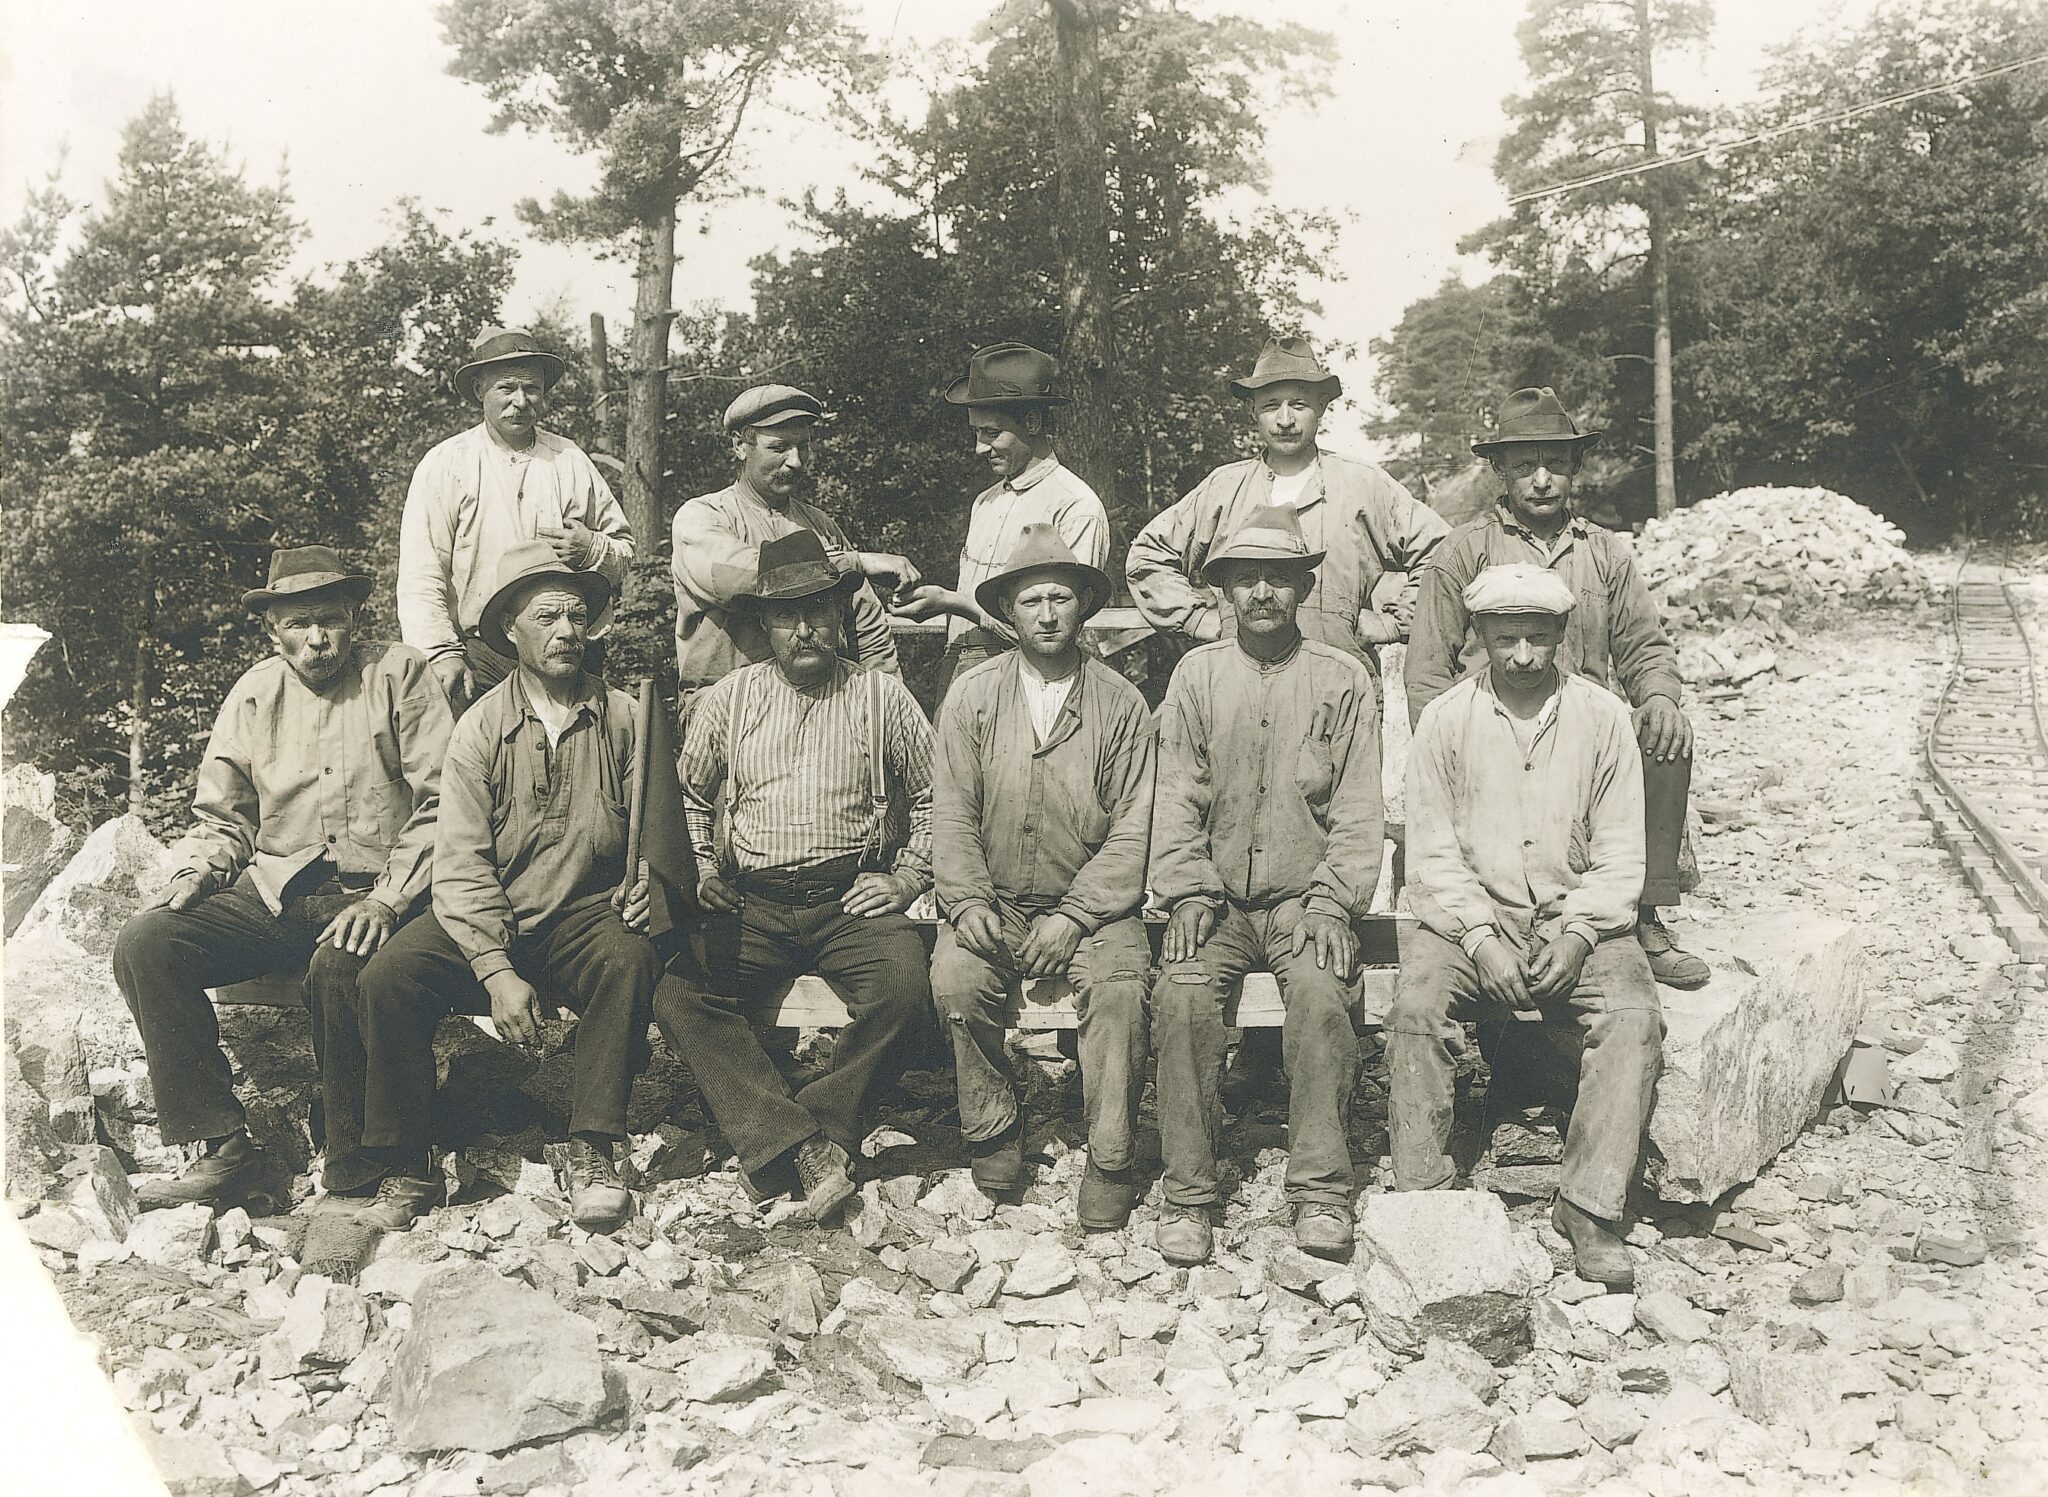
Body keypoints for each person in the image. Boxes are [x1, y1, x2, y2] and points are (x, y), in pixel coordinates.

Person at [112, 546, 453, 1210]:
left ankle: (356, 1171)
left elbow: (445, 804)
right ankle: (224, 1148)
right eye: (298, 623)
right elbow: (225, 814)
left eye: (330, 619)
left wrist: (389, 896)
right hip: (277, 894)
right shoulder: (254, 693)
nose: (317, 638)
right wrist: (197, 871)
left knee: (339, 967)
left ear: (355, 616)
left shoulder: (400, 673)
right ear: (273, 629)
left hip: (376, 895)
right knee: (147, 941)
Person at [343, 542, 660, 1233]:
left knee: (630, 957)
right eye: (546, 616)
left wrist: (647, 886)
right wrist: (494, 968)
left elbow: (657, 834)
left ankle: (595, 1144)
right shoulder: (479, 727)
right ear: (511, 631)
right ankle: (408, 1159)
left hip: (581, 914)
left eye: (577, 615)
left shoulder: (626, 718)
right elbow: (458, 865)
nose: (567, 631)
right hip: (491, 912)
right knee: (388, 976)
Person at [1388, 563, 1662, 1289]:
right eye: (1504, 638)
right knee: (1416, 1007)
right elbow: (1433, 855)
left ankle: (1587, 1203)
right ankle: (1424, 1187)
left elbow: (1621, 851)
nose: (1520, 655)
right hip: (1467, 918)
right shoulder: (1447, 719)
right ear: (1478, 636)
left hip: (1579, 919)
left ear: (1561, 636)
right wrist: (1479, 937)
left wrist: (1577, 932)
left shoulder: (1603, 718)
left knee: (1632, 1014)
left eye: (1537, 638)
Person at [656, 529, 936, 1221]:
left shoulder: (882, 698)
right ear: (763, 623)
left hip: (852, 897)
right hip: (753, 900)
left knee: (906, 987)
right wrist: (698, 870)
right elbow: (688, 795)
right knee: (675, 986)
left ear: (842, 615)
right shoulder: (732, 698)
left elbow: (937, 798)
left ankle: (807, 1127)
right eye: (786, 614)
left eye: (818, 610)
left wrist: (905, 879)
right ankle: (801, 1143)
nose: (804, 628)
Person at [1405, 387, 1708, 988]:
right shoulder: (1463, 552)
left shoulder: (1605, 554)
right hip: (1493, 731)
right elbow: (1428, 670)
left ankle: (1643, 914)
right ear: (1500, 470)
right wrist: (1456, 745)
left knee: (1665, 733)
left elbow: (1644, 646)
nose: (1541, 480)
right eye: (1524, 466)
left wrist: (1659, 697)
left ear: (1574, 468)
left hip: (1584, 739)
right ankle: (1489, 924)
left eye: (1555, 464)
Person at [1147, 506, 1383, 1266]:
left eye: (1276, 577)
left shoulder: (1341, 679)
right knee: (1181, 994)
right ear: (1220, 590)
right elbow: (1175, 794)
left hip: (1300, 898)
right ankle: (1188, 1193)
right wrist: (1186, 889)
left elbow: (1356, 808)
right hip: (1212, 900)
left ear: (1303, 585)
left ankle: (1318, 1187)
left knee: (1321, 993)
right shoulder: (1196, 675)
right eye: (1243, 577)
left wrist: (1333, 901)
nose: (1259, 593)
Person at [931, 525, 1154, 1229]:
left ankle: (1112, 1154)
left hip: (1092, 909)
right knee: (956, 981)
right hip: (992, 897)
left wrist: (1077, 915)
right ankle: (994, 1126)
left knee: (1120, 991)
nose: (1049, 613)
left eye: (1062, 597)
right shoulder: (971, 696)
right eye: (1032, 600)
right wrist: (966, 901)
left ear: (1083, 605)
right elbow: (952, 812)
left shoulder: (1121, 703)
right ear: (1010, 612)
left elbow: (1133, 829)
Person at [1126, 334, 1447, 675]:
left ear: (1322, 406)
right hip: (1240, 683)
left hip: (1340, 687)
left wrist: (1393, 623)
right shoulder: (1224, 488)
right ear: (1252, 411)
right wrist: (1197, 618)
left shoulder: (1362, 485)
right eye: (1270, 404)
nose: (1284, 419)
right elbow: (1147, 555)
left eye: (1298, 403)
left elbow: (1446, 553)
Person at [400, 326, 635, 709]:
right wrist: (442, 652)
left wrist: (592, 547)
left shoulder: (569, 459)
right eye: (506, 388)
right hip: (483, 656)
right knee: (492, 762)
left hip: (569, 649)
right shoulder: (447, 463)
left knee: (579, 758)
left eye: (532, 389)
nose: (521, 401)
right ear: (480, 390)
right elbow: (421, 571)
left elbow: (625, 551)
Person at [671, 384, 916, 702]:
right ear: (740, 445)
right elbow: (742, 575)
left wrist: (886, 699)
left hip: (821, 704)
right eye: (780, 447)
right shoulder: (703, 516)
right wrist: (854, 562)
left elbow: (865, 623)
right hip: (729, 705)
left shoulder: (820, 524)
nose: (796, 461)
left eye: (803, 446)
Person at [893, 343, 1111, 690]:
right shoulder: (985, 503)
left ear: (1033, 421)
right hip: (958, 668)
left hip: (1027, 679)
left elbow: (1058, 630)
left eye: (991, 433)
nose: (980, 447)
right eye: (976, 433)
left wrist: (953, 602)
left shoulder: (1075, 505)